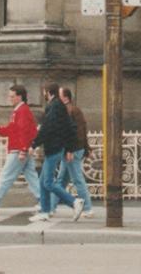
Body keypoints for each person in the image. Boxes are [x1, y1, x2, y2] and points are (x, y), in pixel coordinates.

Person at [29, 81, 83, 223]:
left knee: (48, 182)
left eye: (44, 91)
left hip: (54, 148)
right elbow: (69, 128)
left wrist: (34, 144)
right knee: (42, 182)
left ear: (48, 92)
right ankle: (45, 211)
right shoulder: (58, 106)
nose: (43, 94)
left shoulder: (54, 107)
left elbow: (47, 128)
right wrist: (70, 148)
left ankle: (73, 202)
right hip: (57, 147)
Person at [0, 84, 41, 215]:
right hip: (22, 149)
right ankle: (44, 202)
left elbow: (22, 131)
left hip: (18, 150)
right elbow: (18, 130)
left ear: (19, 97)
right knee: (32, 178)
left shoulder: (21, 111)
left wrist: (22, 149)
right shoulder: (22, 110)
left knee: (6, 176)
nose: (10, 98)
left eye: (12, 96)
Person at [55, 85, 92, 214]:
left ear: (65, 98)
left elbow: (77, 132)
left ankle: (87, 208)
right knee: (61, 180)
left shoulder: (69, 111)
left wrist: (70, 150)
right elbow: (82, 130)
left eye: (58, 95)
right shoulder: (71, 110)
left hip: (72, 150)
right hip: (72, 149)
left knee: (77, 179)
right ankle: (50, 207)